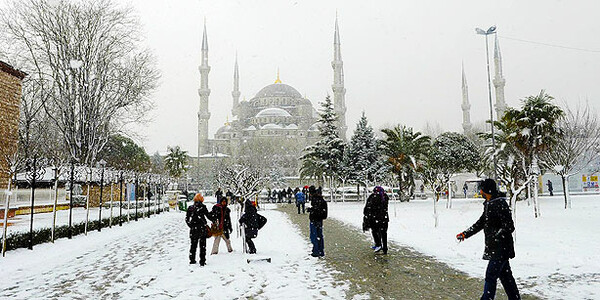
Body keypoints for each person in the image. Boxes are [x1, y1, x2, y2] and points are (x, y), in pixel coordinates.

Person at [456, 178, 521, 300]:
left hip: (501, 248)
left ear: (487, 190)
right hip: (495, 248)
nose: (480, 192)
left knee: (491, 276)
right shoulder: (489, 203)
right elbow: (481, 222)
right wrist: (465, 234)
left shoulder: (500, 204)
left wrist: (497, 236)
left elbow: (509, 226)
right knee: (506, 277)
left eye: (482, 189)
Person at [185, 193, 214, 266]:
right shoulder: (203, 207)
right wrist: (214, 216)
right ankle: (202, 261)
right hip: (202, 229)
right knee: (202, 246)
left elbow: (187, 219)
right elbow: (208, 216)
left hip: (193, 229)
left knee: (193, 245)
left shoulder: (190, 208)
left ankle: (192, 259)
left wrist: (190, 225)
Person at [363, 186, 389, 254]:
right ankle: (384, 248)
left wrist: (368, 216)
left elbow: (370, 207)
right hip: (384, 218)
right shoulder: (384, 197)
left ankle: (378, 244)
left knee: (375, 232)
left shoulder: (374, 197)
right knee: (383, 233)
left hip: (376, 218)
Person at [307, 185, 327, 257]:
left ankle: (316, 251)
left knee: (314, 236)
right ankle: (320, 250)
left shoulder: (315, 199)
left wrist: (311, 210)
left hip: (314, 219)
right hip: (320, 220)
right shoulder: (322, 200)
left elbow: (316, 209)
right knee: (319, 235)